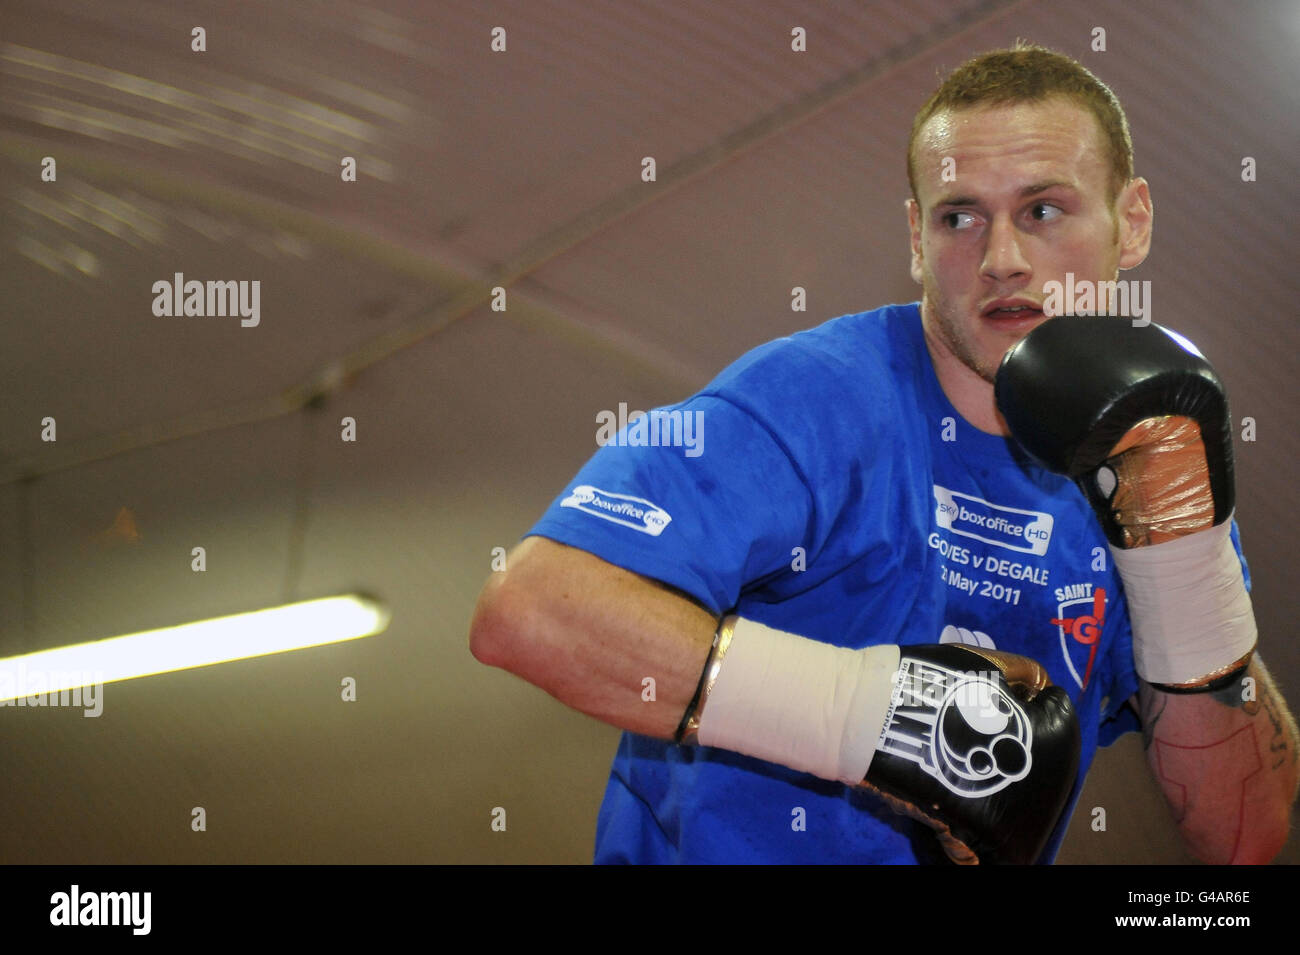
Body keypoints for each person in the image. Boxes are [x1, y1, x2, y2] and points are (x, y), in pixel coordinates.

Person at [468, 42, 1299, 864]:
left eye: (1043, 210)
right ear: (914, 235)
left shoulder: (1148, 461)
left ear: (1134, 220)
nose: (1002, 258)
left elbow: (1244, 835)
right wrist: (875, 719)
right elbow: (533, 609)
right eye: (959, 217)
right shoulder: (816, 396)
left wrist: (1187, 568)